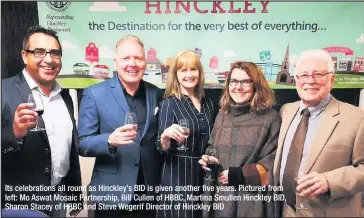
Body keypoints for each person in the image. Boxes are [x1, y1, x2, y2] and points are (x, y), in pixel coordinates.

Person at [1, 25, 83, 217]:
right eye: (39, 52)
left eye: (55, 53)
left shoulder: (65, 96)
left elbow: (69, 151)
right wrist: (13, 134)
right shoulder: (3, 91)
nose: (48, 59)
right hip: (18, 205)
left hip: (58, 199)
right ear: (24, 55)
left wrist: (74, 195)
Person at [78, 35, 163, 217]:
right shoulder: (94, 94)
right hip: (111, 192)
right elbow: (82, 143)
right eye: (126, 58)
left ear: (145, 62)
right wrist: (109, 140)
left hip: (148, 192)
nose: (132, 63)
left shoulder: (155, 93)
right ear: (116, 62)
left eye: (138, 58)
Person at [272, 49, 364, 217]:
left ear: (332, 79)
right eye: (304, 75)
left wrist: (330, 181)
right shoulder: (286, 111)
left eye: (318, 74)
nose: (310, 81)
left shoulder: (358, 118)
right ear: (296, 79)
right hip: (285, 211)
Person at [198, 61, 281, 217]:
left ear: (256, 85)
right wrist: (210, 159)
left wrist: (239, 175)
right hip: (221, 199)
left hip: (252, 202)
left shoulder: (271, 119)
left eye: (245, 81)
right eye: (234, 81)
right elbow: (212, 147)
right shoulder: (222, 115)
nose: (238, 87)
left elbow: (273, 163)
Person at [156, 50, 215, 218]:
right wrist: (165, 138)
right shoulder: (169, 103)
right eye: (183, 70)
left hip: (204, 176)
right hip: (177, 176)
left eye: (193, 69)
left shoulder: (209, 104)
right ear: (176, 74)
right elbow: (159, 148)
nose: (189, 74)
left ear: (200, 72)